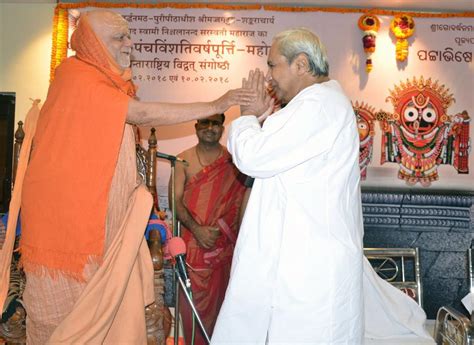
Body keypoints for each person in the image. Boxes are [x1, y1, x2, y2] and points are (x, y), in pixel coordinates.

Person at [0, 10, 258, 344]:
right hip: (68, 234)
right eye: (118, 37)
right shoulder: (77, 76)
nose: (130, 43)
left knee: (111, 313)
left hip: (98, 225)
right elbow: (141, 113)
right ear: (93, 44)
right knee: (62, 320)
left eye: (128, 34)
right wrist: (218, 102)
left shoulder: (105, 83)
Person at [211, 28, 365, 344]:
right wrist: (263, 122)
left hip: (308, 266)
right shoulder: (312, 106)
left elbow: (254, 158)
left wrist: (247, 117)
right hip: (301, 260)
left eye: (273, 65)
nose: (269, 76)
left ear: (301, 64)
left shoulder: (318, 106)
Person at [170, 114, 248, 344]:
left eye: (216, 124)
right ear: (196, 127)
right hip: (193, 253)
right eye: (205, 123)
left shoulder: (235, 161)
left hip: (226, 251)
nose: (210, 128)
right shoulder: (182, 160)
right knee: (191, 311)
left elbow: (244, 201)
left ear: (222, 128)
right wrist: (197, 230)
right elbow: (176, 202)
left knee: (226, 310)